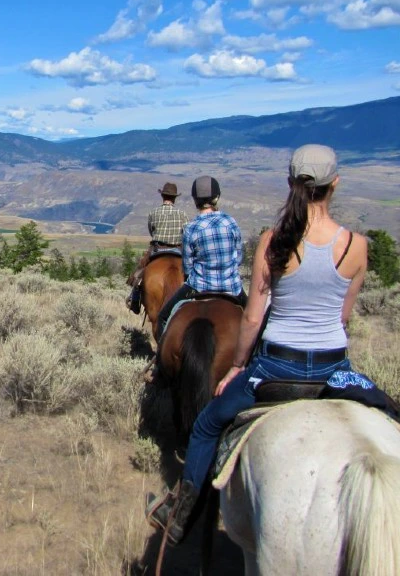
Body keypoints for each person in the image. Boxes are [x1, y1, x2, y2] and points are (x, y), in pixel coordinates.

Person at [145, 144, 368, 545]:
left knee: (206, 424)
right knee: (388, 413)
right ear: (335, 183)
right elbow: (342, 319)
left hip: (278, 364)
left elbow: (251, 317)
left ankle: (179, 515)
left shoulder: (274, 240)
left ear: (289, 183)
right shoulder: (357, 246)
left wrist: (236, 366)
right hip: (334, 367)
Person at [154, 176, 246, 340]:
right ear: (216, 197)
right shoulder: (231, 222)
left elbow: (188, 266)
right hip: (232, 287)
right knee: (257, 322)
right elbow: (239, 258)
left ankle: (161, 355)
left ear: (195, 200)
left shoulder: (191, 228)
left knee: (163, 317)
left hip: (199, 287)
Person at [127, 182, 188, 314]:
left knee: (139, 275)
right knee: (191, 276)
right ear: (174, 198)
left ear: (162, 196)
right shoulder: (182, 214)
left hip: (157, 249)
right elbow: (186, 234)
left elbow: (151, 231)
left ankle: (134, 301)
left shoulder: (153, 213)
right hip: (177, 250)